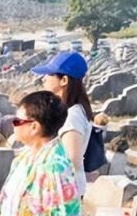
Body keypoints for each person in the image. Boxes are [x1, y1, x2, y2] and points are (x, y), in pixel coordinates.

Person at [33, 51, 93, 197]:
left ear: (64, 80)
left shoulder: (73, 115)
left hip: (63, 192)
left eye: (50, 74)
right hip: (59, 189)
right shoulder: (67, 110)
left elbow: (72, 159)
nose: (44, 79)